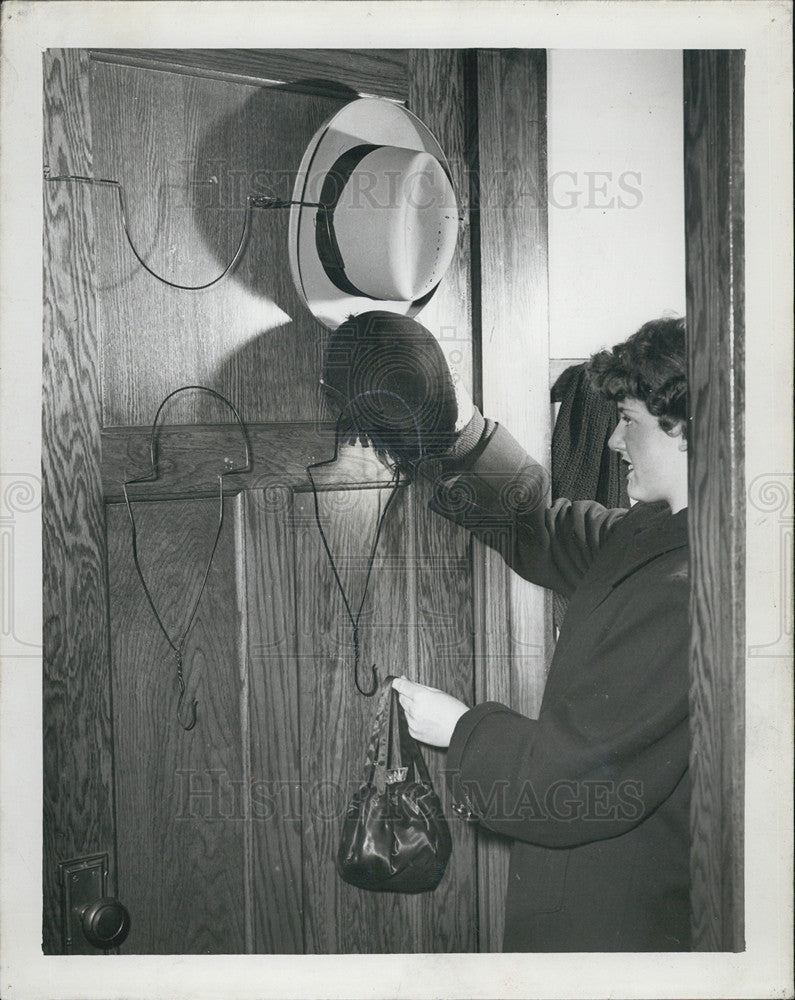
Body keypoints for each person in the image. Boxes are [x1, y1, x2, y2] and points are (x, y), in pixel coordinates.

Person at [393, 316, 691, 952]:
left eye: (630, 420)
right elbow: (536, 525)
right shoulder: (650, 534)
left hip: (620, 925)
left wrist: (459, 728)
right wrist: (460, 427)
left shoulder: (688, 590)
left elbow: (567, 783)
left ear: (687, 432)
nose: (613, 439)